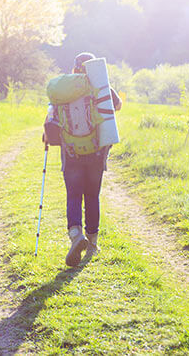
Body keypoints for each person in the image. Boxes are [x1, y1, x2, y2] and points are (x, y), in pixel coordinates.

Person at [44, 52, 122, 268]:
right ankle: (93, 243)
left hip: (71, 154)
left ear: (75, 67)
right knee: (92, 196)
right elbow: (117, 106)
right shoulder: (100, 84)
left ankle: (75, 234)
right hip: (96, 153)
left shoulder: (63, 89)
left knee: (73, 195)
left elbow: (51, 118)